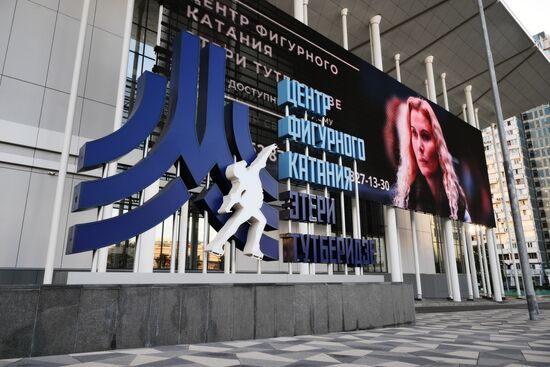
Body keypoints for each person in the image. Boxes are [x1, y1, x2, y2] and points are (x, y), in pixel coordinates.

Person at [390, 96, 470, 221]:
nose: (419, 146)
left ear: (438, 143)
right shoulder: (405, 198)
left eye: (425, 136)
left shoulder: (456, 202)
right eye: (414, 134)